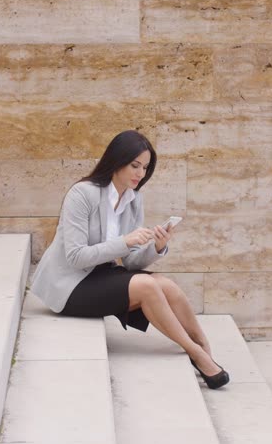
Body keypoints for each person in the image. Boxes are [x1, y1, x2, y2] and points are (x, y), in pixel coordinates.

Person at [30, 130, 229, 389]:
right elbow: (76, 257)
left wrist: (156, 247)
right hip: (70, 285)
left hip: (101, 275)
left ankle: (204, 346)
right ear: (117, 160)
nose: (140, 173)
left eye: (145, 168)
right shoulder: (82, 194)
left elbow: (131, 263)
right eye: (135, 165)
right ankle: (197, 354)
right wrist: (126, 241)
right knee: (147, 287)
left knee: (165, 284)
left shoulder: (134, 200)